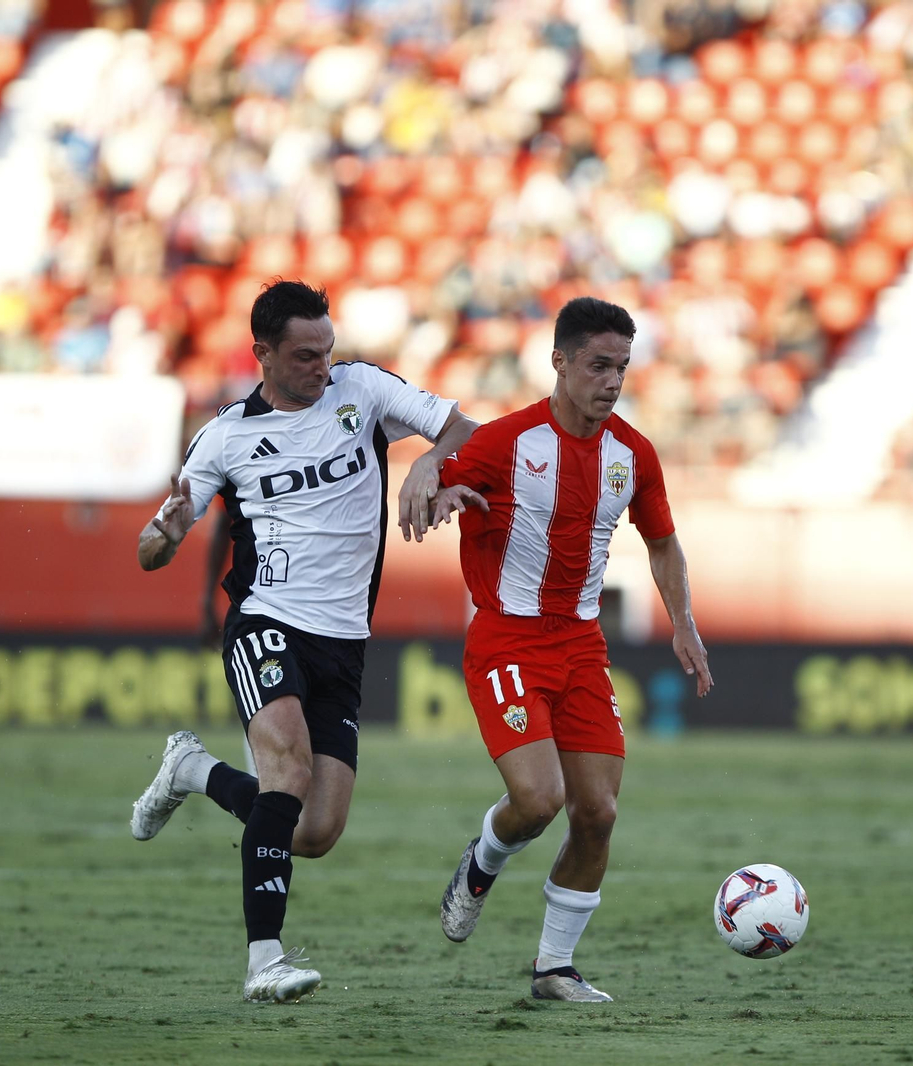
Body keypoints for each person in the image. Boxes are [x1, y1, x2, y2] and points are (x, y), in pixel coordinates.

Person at [129, 280, 475, 1003]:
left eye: (328, 351)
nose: (322, 366)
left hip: (344, 639)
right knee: (286, 773)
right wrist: (161, 534)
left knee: (314, 831)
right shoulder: (225, 436)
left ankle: (193, 771)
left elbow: (461, 426)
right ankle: (265, 961)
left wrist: (429, 462)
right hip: (266, 619)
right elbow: (151, 550)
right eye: (304, 355)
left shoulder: (363, 391)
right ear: (262, 354)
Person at [429, 296, 714, 1002]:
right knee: (538, 799)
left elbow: (663, 541)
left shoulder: (633, 454)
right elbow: (441, 471)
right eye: (598, 365)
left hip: (581, 646)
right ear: (559, 362)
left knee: (599, 813)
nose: (612, 380)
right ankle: (481, 863)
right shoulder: (505, 442)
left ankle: (554, 969)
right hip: (507, 641)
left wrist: (683, 619)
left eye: (621, 366)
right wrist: (430, 486)